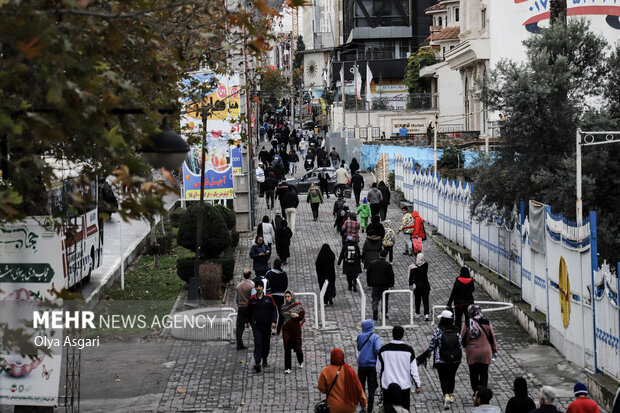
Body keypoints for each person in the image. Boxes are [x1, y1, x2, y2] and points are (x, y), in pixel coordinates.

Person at [377, 325, 422, 411]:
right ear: (403, 335)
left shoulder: (383, 350)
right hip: (404, 387)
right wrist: (418, 385)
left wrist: (382, 379)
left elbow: (379, 369)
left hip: (388, 386)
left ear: (392, 335)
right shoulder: (409, 350)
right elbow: (413, 370)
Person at [424, 310, 462, 409]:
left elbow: (433, 342)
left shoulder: (439, 329)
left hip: (441, 359)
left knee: (443, 378)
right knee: (451, 377)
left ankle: (446, 395)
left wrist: (429, 352)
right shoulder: (456, 329)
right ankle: (450, 394)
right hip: (455, 360)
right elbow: (460, 344)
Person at [461, 304, 498, 394]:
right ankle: (483, 392)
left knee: (473, 374)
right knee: (484, 373)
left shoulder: (467, 324)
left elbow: (461, 339)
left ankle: (476, 392)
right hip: (485, 353)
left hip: (472, 353)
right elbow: (492, 338)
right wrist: (494, 350)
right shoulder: (487, 322)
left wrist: (466, 347)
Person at [317, 348, 368, 413]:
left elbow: (322, 389)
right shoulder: (350, 370)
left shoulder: (326, 371)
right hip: (349, 407)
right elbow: (358, 388)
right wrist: (364, 402)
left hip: (333, 407)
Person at [246, 280, 278, 373]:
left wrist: (274, 321)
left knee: (266, 344)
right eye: (257, 287)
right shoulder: (252, 299)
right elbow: (248, 311)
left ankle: (264, 358)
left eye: (260, 286)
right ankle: (257, 362)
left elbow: (274, 310)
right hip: (256, 325)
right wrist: (247, 321)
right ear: (255, 288)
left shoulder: (269, 298)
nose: (259, 288)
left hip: (267, 325)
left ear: (262, 288)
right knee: (258, 342)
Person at [357, 320, 382, 413]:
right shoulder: (376, 337)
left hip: (362, 365)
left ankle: (363, 407)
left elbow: (359, 347)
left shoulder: (360, 336)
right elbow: (378, 349)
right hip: (372, 366)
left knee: (361, 387)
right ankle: (370, 409)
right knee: (371, 389)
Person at [277, 291, 305, 374]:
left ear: (292, 297)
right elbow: (281, 319)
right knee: (287, 347)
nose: (287, 298)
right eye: (286, 297)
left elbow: (302, 316)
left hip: (295, 329)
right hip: (286, 329)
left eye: (288, 296)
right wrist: (278, 329)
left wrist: (297, 316)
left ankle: (300, 361)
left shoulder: (298, 306)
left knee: (298, 346)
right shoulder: (283, 307)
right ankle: (288, 367)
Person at [367, 250, 394, 321]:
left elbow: (368, 273)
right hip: (385, 285)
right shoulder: (387, 265)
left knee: (375, 299)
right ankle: (384, 314)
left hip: (375, 285)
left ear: (379, 255)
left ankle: (375, 311)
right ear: (385, 256)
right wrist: (391, 285)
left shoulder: (372, 263)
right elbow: (391, 275)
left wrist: (369, 283)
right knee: (384, 300)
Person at [235, 270, 254, 350]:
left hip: (241, 307)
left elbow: (236, 298)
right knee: (254, 325)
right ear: (250, 276)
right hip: (249, 308)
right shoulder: (252, 285)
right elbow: (253, 297)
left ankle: (239, 344)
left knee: (239, 327)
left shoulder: (239, 286)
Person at [409, 253, 430, 321]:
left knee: (417, 300)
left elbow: (411, 278)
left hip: (417, 286)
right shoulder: (425, 264)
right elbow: (423, 272)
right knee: (425, 300)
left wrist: (410, 285)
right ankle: (426, 314)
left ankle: (417, 313)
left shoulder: (413, 267)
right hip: (425, 285)